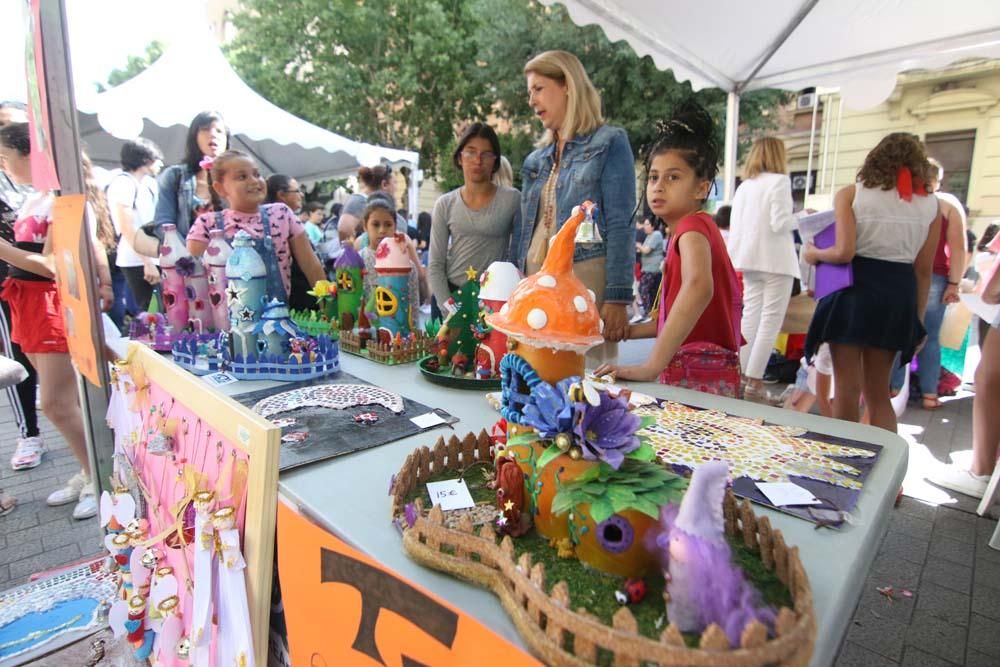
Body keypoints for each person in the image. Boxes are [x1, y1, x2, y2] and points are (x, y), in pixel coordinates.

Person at [0, 122, 114, 520]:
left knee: (54, 402)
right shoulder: (37, 198)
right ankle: (88, 471)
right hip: (27, 303)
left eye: (6, 157)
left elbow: (51, 265)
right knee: (61, 401)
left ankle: (103, 477)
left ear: (30, 154)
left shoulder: (60, 199)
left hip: (50, 301)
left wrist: (4, 250)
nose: (4, 166)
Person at [595, 104, 742, 397]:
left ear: (702, 188)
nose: (659, 187)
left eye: (673, 177)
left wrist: (650, 367)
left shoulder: (691, 229)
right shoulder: (692, 229)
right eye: (653, 177)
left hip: (698, 370)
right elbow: (678, 315)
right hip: (705, 368)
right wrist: (629, 331)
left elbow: (699, 288)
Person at [803, 133, 940, 432]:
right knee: (879, 395)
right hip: (897, 296)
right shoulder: (932, 206)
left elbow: (843, 252)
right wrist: (916, 322)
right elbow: (924, 270)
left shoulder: (852, 194)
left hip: (854, 293)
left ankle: (845, 466)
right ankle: (888, 474)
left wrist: (813, 254)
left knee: (847, 390)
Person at [511, 50, 636, 364]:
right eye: (529, 92)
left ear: (567, 84)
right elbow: (526, 228)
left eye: (538, 89)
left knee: (584, 376)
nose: (531, 100)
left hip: (585, 276)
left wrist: (618, 296)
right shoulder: (535, 160)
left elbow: (622, 222)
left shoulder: (608, 142)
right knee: (533, 368)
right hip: (536, 275)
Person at [186, 152, 325, 301]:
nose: (254, 181)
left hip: (278, 318)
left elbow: (311, 265)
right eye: (242, 177)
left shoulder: (281, 214)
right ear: (220, 188)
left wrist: (327, 303)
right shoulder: (206, 224)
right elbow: (194, 278)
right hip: (225, 321)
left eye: (257, 174)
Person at [889, 158, 966, 409]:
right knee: (930, 337)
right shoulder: (947, 204)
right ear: (937, 178)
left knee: (899, 334)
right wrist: (954, 283)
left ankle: (892, 388)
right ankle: (930, 394)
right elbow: (958, 248)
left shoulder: (905, 201)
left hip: (903, 271)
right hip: (935, 275)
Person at [727, 137, 798, 404]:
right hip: (776, 260)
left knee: (751, 319)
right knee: (770, 322)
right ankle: (754, 384)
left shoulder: (745, 186)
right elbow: (780, 222)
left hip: (748, 258)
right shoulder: (779, 181)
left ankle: (741, 378)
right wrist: (803, 217)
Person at [428, 123, 520, 321]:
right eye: (471, 152)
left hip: (494, 300)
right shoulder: (444, 204)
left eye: (486, 154)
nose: (478, 160)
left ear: (495, 160)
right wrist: (451, 311)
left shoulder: (512, 200)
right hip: (451, 297)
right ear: (460, 157)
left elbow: (522, 256)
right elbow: (435, 265)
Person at [0, 101, 43, 480]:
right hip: (16, 286)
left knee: (60, 395)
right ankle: (28, 433)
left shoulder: (44, 190)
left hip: (45, 291)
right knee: (19, 364)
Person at [133, 112, 230, 259]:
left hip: (231, 264)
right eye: (205, 129)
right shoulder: (175, 176)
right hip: (187, 265)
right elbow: (164, 223)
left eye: (219, 131)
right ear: (194, 136)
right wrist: (188, 255)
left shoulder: (237, 178)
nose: (213, 134)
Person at [106, 138, 163, 312]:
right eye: (156, 159)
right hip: (137, 259)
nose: (161, 163)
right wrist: (147, 261)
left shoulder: (148, 184)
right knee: (153, 312)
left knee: (163, 310)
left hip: (154, 254)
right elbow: (126, 226)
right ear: (145, 159)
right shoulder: (123, 183)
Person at [359, 199, 420, 313]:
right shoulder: (358, 261)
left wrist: (413, 328)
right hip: (365, 327)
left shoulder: (407, 265)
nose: (382, 230)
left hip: (398, 327)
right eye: (375, 225)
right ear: (365, 226)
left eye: (388, 225)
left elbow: (413, 303)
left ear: (395, 226)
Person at [341, 164, 407, 236]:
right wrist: (356, 246)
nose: (396, 188)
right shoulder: (358, 201)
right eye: (394, 182)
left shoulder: (381, 204)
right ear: (384, 184)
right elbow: (344, 230)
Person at [635, 217, 664, 320]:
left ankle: (649, 313)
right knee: (651, 292)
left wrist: (638, 245)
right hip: (647, 268)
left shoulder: (656, 234)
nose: (645, 227)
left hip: (654, 268)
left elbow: (646, 250)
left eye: (647, 224)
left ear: (652, 226)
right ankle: (652, 314)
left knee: (643, 289)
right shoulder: (649, 236)